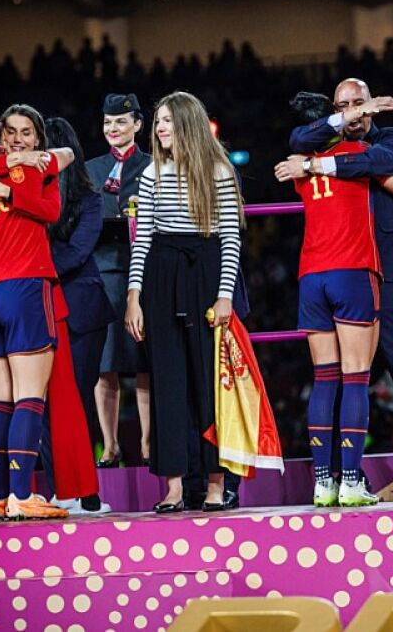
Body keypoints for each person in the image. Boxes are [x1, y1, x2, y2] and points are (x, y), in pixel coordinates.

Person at [285, 78, 393, 504]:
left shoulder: (387, 139)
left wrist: (314, 168)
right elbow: (298, 138)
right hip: (345, 270)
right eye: (343, 106)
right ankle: (344, 474)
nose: (353, 112)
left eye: (359, 104)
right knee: (340, 378)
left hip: (382, 271)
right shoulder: (323, 141)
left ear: (372, 105)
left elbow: (382, 162)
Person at [124, 91, 243, 513]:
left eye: (167, 120)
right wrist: (134, 296)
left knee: (209, 385)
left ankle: (215, 483)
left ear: (187, 124)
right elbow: (143, 239)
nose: (159, 128)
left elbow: (230, 238)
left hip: (205, 273)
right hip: (162, 274)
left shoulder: (218, 170)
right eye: (157, 121)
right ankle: (173, 486)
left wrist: (225, 295)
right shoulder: (151, 173)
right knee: (167, 383)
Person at [0, 108, 73, 520]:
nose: (18, 140)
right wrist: (20, 171)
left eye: (25, 133)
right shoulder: (34, 169)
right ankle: (23, 494)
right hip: (23, 287)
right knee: (29, 396)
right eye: (10, 132)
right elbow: (56, 199)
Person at [41, 116, 115, 514]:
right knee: (42, 403)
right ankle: (60, 490)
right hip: (40, 309)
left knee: (78, 400)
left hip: (82, 312)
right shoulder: (30, 198)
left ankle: (88, 494)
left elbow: (76, 253)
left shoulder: (89, 199)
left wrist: (32, 263)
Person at [88, 94, 154, 468]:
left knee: (145, 363)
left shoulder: (155, 166)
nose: (113, 128)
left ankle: (148, 443)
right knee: (105, 364)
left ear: (138, 125)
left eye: (121, 122)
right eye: (107, 122)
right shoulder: (90, 170)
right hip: (103, 274)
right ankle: (110, 445)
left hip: (145, 275)